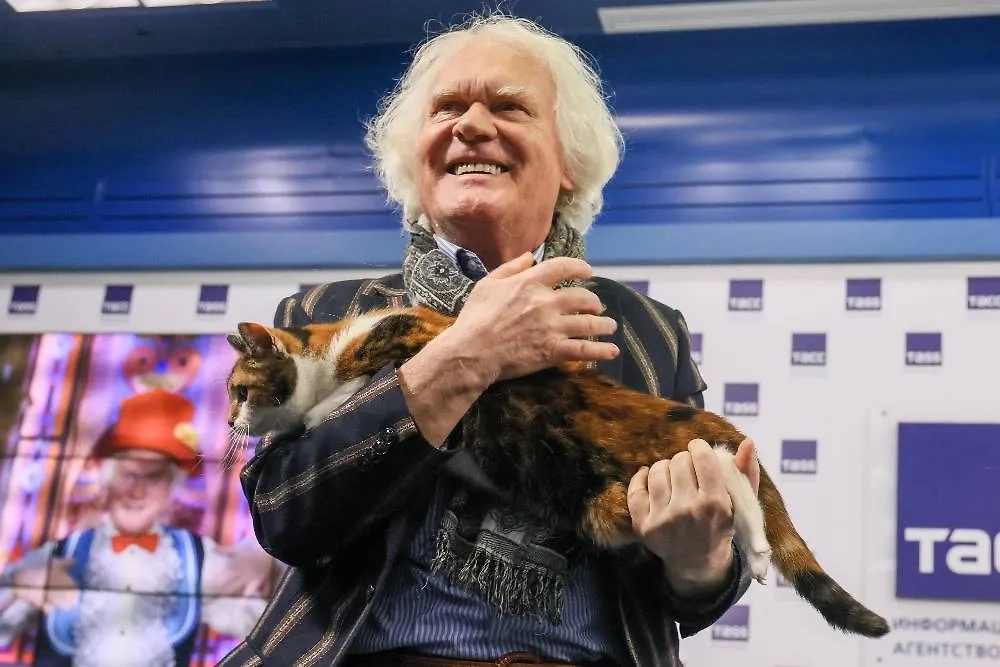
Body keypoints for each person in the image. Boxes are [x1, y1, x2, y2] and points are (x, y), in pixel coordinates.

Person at [220, 12, 760, 667]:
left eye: (509, 107)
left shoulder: (651, 333)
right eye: (447, 107)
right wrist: (463, 356)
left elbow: (696, 596)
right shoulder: (325, 315)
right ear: (416, 160)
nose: (471, 125)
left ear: (568, 164)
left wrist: (699, 559)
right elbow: (284, 516)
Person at [0, 389, 278, 667]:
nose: (137, 491)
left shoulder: (197, 558)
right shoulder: (61, 554)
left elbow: (266, 626)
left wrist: (269, 562)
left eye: (153, 477)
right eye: (128, 475)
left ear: (171, 488)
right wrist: (18, 585)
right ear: (108, 479)